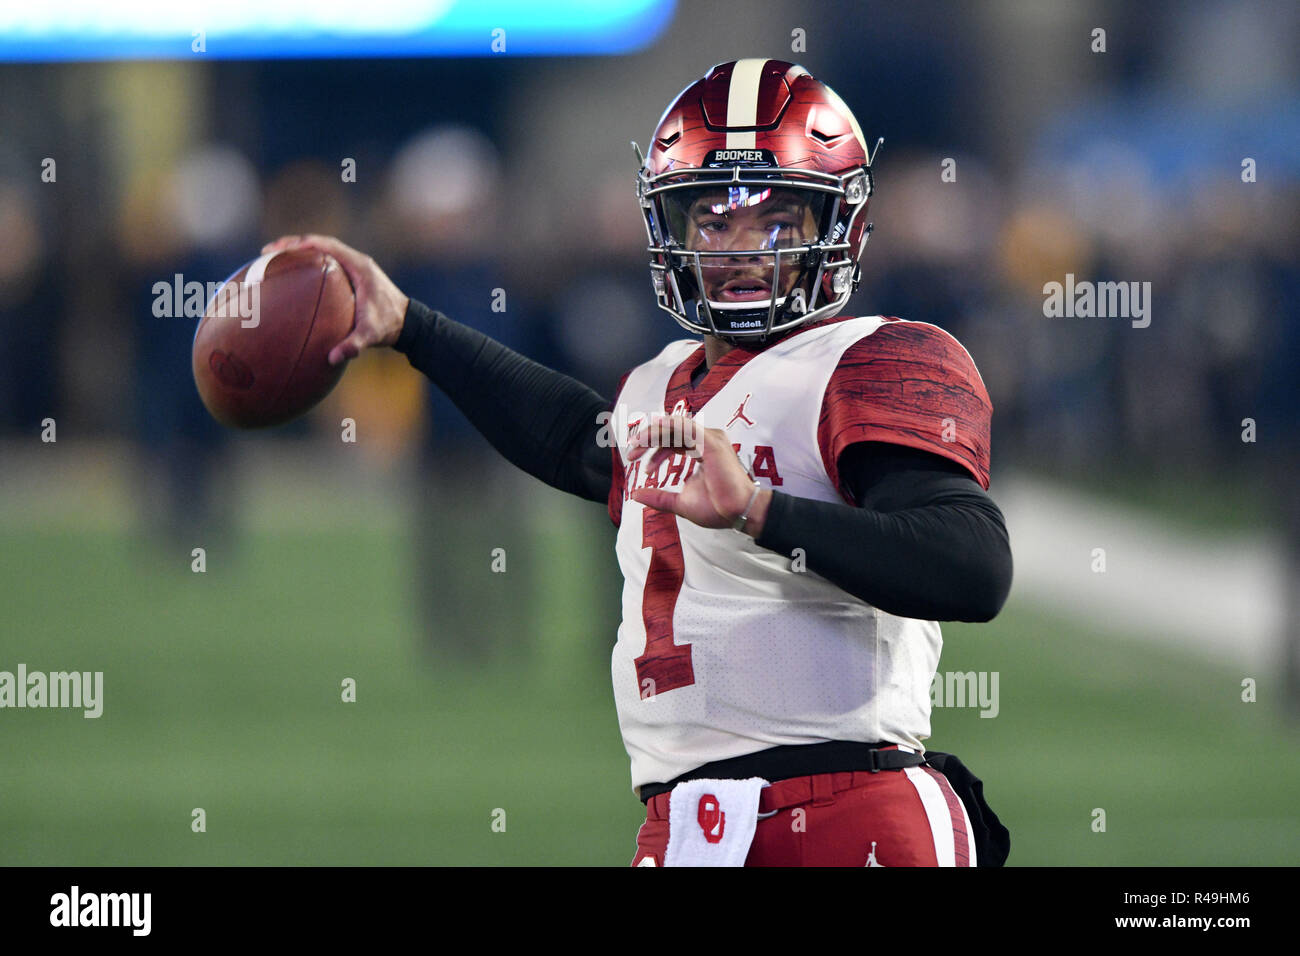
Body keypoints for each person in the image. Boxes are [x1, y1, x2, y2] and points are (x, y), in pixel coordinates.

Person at [262, 58, 1013, 867]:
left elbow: (972, 565)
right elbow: (573, 443)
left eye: (777, 220)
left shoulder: (870, 358)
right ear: (670, 229)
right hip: (685, 826)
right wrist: (409, 326)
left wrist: (762, 511)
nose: (740, 248)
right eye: (711, 219)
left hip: (846, 809)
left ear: (838, 224)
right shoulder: (661, 381)